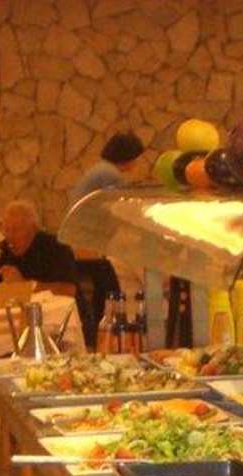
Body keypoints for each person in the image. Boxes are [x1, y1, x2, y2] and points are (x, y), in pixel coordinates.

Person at [69, 133, 145, 334]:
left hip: (79, 239)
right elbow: (121, 209)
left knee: (102, 284)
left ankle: (96, 330)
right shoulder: (110, 174)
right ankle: (102, 329)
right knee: (110, 285)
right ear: (128, 156)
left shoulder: (100, 170)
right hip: (87, 243)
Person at [0, 200, 76, 286]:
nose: (9, 236)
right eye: (6, 230)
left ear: (32, 229)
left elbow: (69, 289)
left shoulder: (56, 247)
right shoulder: (2, 250)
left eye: (16, 230)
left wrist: (24, 284)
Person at [68, 131, 145, 205]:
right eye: (136, 158)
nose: (136, 162)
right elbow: (115, 204)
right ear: (127, 156)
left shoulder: (104, 167)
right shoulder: (110, 173)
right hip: (87, 213)